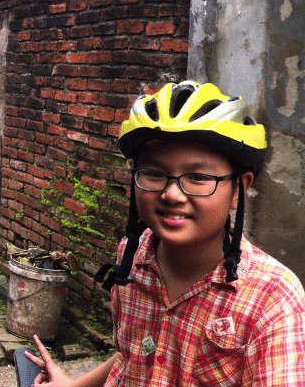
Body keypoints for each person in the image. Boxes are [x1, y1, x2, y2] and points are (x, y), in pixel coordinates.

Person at [23, 81, 305, 386]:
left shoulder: (273, 300)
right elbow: (135, 351)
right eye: (154, 173)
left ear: (239, 188)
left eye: (198, 177)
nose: (172, 194)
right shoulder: (132, 257)